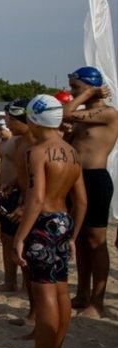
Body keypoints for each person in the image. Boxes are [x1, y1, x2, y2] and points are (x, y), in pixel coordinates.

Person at [13, 94, 87, 348]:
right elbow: (81, 201)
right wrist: (73, 236)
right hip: (64, 220)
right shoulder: (72, 152)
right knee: (60, 290)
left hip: (43, 222)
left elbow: (36, 198)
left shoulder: (38, 152)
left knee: (44, 292)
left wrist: (20, 236)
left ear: (33, 120)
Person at [62, 66, 118, 318]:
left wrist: (86, 95)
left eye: (76, 87)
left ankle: (98, 302)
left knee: (96, 241)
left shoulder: (108, 113)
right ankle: (82, 293)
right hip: (76, 178)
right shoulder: (86, 114)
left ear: (92, 86)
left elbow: (65, 112)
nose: (73, 92)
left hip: (95, 178)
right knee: (81, 239)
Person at [0, 100, 31, 292]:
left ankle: (28, 285)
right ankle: (10, 281)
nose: (7, 123)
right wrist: (8, 186)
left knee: (23, 242)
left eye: (10, 119)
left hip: (24, 198)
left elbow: (34, 175)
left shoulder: (33, 143)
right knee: (6, 238)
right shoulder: (14, 140)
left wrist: (24, 201)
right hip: (9, 194)